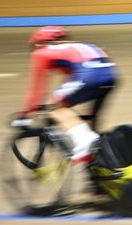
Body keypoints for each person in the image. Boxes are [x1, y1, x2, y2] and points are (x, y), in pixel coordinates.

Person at [18, 26, 119, 165]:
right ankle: (98, 164)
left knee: (54, 107)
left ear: (39, 44)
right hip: (110, 76)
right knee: (91, 124)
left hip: (88, 76)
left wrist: (25, 114)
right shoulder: (83, 45)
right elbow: (71, 80)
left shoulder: (41, 53)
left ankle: (85, 142)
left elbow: (36, 91)